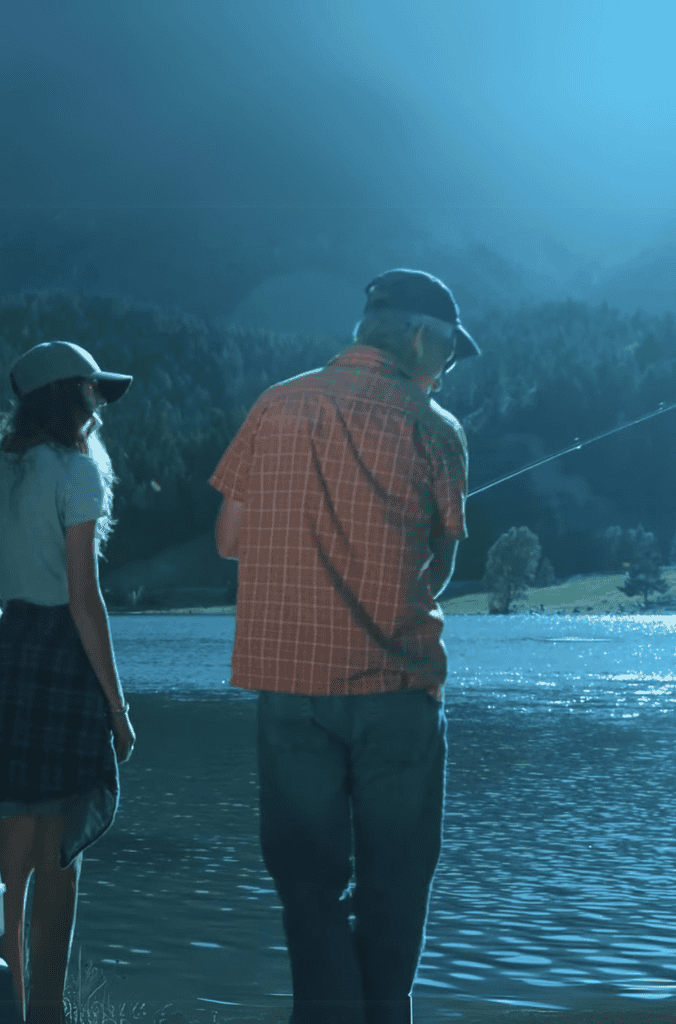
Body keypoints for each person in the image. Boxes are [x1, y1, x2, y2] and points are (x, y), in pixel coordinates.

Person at [210, 269, 480, 1024]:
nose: (449, 366)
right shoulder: (437, 428)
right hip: (397, 689)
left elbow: (228, 539)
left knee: (307, 889)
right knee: (395, 887)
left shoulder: (276, 405)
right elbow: (441, 570)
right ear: (420, 336)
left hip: (291, 688)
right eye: (450, 350)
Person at [0, 342, 137, 1024]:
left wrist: (13, 633)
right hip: (65, 661)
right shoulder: (78, 469)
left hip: (11, 651)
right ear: (68, 396)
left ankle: (8, 1008)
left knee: (10, 851)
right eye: (93, 391)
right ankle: (48, 1014)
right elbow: (85, 597)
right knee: (60, 851)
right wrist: (118, 707)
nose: (99, 404)